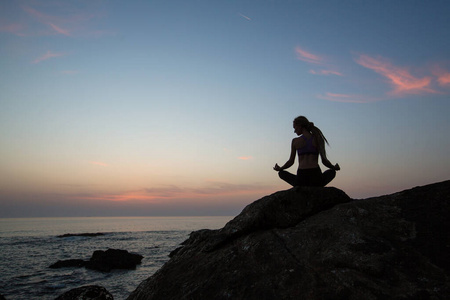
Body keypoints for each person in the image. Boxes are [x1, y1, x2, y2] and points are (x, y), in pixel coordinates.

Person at [273, 116, 340, 187]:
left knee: (281, 173)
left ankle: (299, 186)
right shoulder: (318, 139)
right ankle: (317, 185)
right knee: (332, 172)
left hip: (301, 177)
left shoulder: (295, 141)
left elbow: (291, 162)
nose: (294, 131)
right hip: (316, 176)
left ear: (300, 126)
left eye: (295, 127)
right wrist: (333, 167)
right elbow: (324, 160)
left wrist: (280, 168)